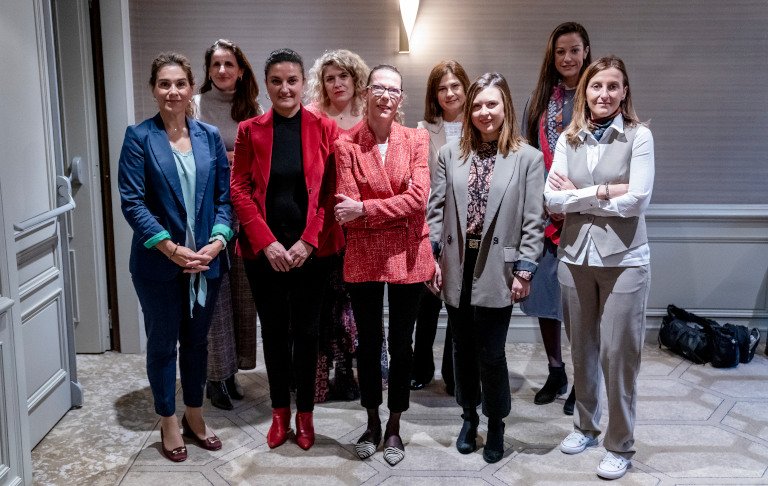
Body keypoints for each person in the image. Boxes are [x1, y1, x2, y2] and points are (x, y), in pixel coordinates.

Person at [118, 52, 232, 462]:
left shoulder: (209, 136)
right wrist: (171, 249)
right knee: (164, 344)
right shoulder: (139, 137)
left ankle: (194, 414)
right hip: (158, 266)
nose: (172, 91)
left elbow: (224, 198)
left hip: (206, 262)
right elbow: (132, 203)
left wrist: (217, 241)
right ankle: (168, 418)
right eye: (164, 84)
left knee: (197, 344)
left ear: (191, 88)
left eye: (180, 83)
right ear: (153, 89)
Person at [544, 56, 653, 480]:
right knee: (582, 349)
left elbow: (637, 200)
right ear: (585, 93)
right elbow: (552, 200)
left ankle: (620, 444)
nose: (603, 94)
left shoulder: (639, 136)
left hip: (625, 261)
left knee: (618, 355)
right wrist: (606, 192)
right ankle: (585, 427)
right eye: (596, 86)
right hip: (574, 257)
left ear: (624, 91)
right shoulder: (568, 138)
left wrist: (581, 195)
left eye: (612, 86)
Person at [428, 72, 544, 464]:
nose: (484, 112)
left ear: (505, 106)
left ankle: (496, 422)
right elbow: (436, 210)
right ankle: (468, 417)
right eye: (477, 105)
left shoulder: (528, 158)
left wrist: (525, 270)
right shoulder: (449, 154)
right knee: (461, 348)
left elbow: (533, 220)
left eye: (491, 103)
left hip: (500, 266)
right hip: (457, 262)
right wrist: (432, 257)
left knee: (491, 352)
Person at [230, 48, 342, 451]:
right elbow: (239, 189)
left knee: (308, 335)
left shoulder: (325, 128)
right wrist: (268, 243)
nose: (285, 88)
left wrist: (308, 241)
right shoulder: (250, 130)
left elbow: (333, 191)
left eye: (292, 80)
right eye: (276, 81)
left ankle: (305, 415)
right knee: (274, 333)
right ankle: (280, 413)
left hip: (313, 252)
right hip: (264, 255)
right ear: (267, 85)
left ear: (303, 83)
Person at [334, 64, 434, 466]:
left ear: (401, 98)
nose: (386, 96)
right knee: (369, 342)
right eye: (379, 88)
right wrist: (387, 210)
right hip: (364, 255)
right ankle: (372, 421)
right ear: (366, 93)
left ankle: (394, 424)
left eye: (394, 90)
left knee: (401, 343)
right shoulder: (345, 145)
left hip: (409, 254)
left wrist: (365, 209)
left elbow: (419, 199)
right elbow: (344, 208)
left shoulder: (417, 138)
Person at [521, 21, 592, 415]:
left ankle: (584, 380)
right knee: (545, 297)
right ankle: (556, 371)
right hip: (545, 212)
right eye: (560, 51)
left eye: (574, 50)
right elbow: (528, 156)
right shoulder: (539, 100)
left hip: (585, 214)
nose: (567, 58)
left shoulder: (596, 96)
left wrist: (575, 197)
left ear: (586, 52)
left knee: (581, 305)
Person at [305, 49, 376, 402]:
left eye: (343, 76)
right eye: (329, 78)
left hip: (362, 222)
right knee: (322, 302)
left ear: (355, 79)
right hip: (322, 221)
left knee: (355, 302)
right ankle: (318, 377)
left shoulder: (371, 116)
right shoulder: (311, 116)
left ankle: (350, 374)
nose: (337, 83)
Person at [193, 38, 261, 411]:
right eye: (215, 64)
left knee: (242, 295)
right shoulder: (195, 105)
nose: (222, 70)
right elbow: (189, 153)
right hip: (207, 207)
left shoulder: (253, 107)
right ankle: (214, 376)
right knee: (215, 295)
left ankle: (233, 370)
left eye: (229, 64)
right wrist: (230, 157)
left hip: (245, 208)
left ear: (241, 69)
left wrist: (235, 158)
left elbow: (260, 156)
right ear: (208, 70)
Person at [412, 60, 471, 395]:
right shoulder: (423, 129)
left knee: (460, 304)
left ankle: (454, 372)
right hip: (431, 225)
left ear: (465, 88)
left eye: (455, 86)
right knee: (427, 302)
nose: (449, 93)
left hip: (469, 229)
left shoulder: (481, 125)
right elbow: (421, 182)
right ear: (434, 94)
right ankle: (421, 367)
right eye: (442, 88)